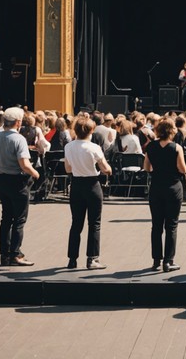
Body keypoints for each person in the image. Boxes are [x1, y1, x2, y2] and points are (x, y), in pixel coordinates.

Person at [0, 107, 40, 266]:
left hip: (3, 179)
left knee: (6, 219)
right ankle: (16, 254)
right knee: (19, 219)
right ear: (18, 122)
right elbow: (24, 163)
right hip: (17, 182)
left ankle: (4, 253)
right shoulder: (19, 139)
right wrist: (35, 173)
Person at [64, 116, 112, 270]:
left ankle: (72, 259)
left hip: (76, 185)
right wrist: (107, 170)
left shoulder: (69, 147)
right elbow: (105, 168)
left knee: (76, 223)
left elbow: (68, 169)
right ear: (91, 130)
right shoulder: (94, 147)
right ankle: (92, 259)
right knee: (94, 223)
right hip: (92, 184)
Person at [144, 117, 186, 272]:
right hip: (173, 187)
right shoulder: (176, 148)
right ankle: (168, 261)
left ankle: (156, 260)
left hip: (156, 187)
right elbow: (183, 169)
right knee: (172, 225)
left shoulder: (151, 147)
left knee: (156, 225)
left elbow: (147, 168)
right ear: (172, 131)